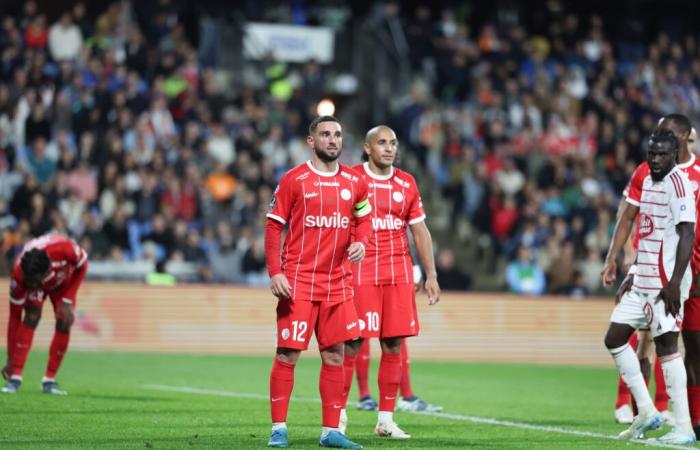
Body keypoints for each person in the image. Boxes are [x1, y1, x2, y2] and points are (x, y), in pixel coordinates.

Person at [265, 115, 371, 449]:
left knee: (335, 357)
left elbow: (364, 217)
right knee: (287, 355)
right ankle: (279, 429)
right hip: (297, 281)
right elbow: (273, 227)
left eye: (337, 134)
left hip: (337, 284)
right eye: (325, 134)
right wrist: (275, 272)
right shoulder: (294, 180)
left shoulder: (355, 181)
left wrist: (361, 241)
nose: (332, 140)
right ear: (312, 141)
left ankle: (330, 431)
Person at [340, 125, 440, 439]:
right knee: (353, 343)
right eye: (382, 143)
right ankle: (337, 416)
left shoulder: (407, 183)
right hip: (361, 271)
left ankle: (385, 420)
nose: (389, 148)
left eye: (393, 143)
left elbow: (420, 231)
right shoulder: (352, 179)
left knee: (393, 344)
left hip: (397, 273)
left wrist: (431, 274)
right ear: (368, 148)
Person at [602, 129, 696, 445]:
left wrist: (673, 284)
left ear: (674, 154)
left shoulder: (679, 185)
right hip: (642, 280)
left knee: (668, 349)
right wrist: (631, 273)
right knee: (614, 338)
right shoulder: (648, 181)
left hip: (663, 286)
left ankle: (683, 427)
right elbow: (647, 231)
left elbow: (687, 235)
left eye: (661, 154)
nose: (654, 158)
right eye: (651, 152)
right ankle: (645, 411)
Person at [2, 233, 88, 395]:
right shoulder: (20, 278)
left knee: (64, 321)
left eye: (32, 282)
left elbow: (83, 263)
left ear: (46, 272)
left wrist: (68, 299)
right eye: (28, 281)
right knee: (31, 317)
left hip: (63, 282)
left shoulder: (64, 249)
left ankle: (49, 380)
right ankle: (16, 378)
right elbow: (14, 319)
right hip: (42, 277)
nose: (30, 285)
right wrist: (10, 359)